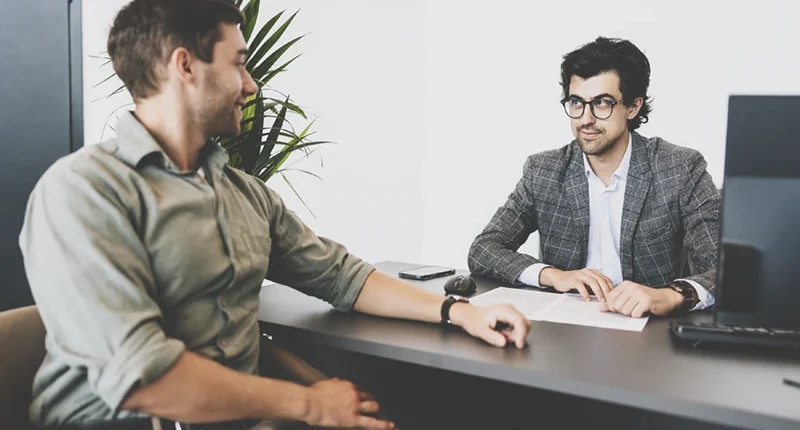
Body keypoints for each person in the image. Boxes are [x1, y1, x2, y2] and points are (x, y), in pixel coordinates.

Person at [18, 1, 530, 429]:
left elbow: (341, 276)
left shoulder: (245, 194)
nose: (251, 86)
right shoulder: (84, 192)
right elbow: (143, 379)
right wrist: (309, 404)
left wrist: (460, 312)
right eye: (239, 64)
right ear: (185, 66)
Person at [468, 36, 720, 318]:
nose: (585, 119)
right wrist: (552, 275)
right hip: (565, 329)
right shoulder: (544, 171)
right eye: (577, 102)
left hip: (650, 331)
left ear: (633, 107)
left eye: (601, 103)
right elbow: (484, 249)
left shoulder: (680, 169)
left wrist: (670, 295)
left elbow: (725, 269)